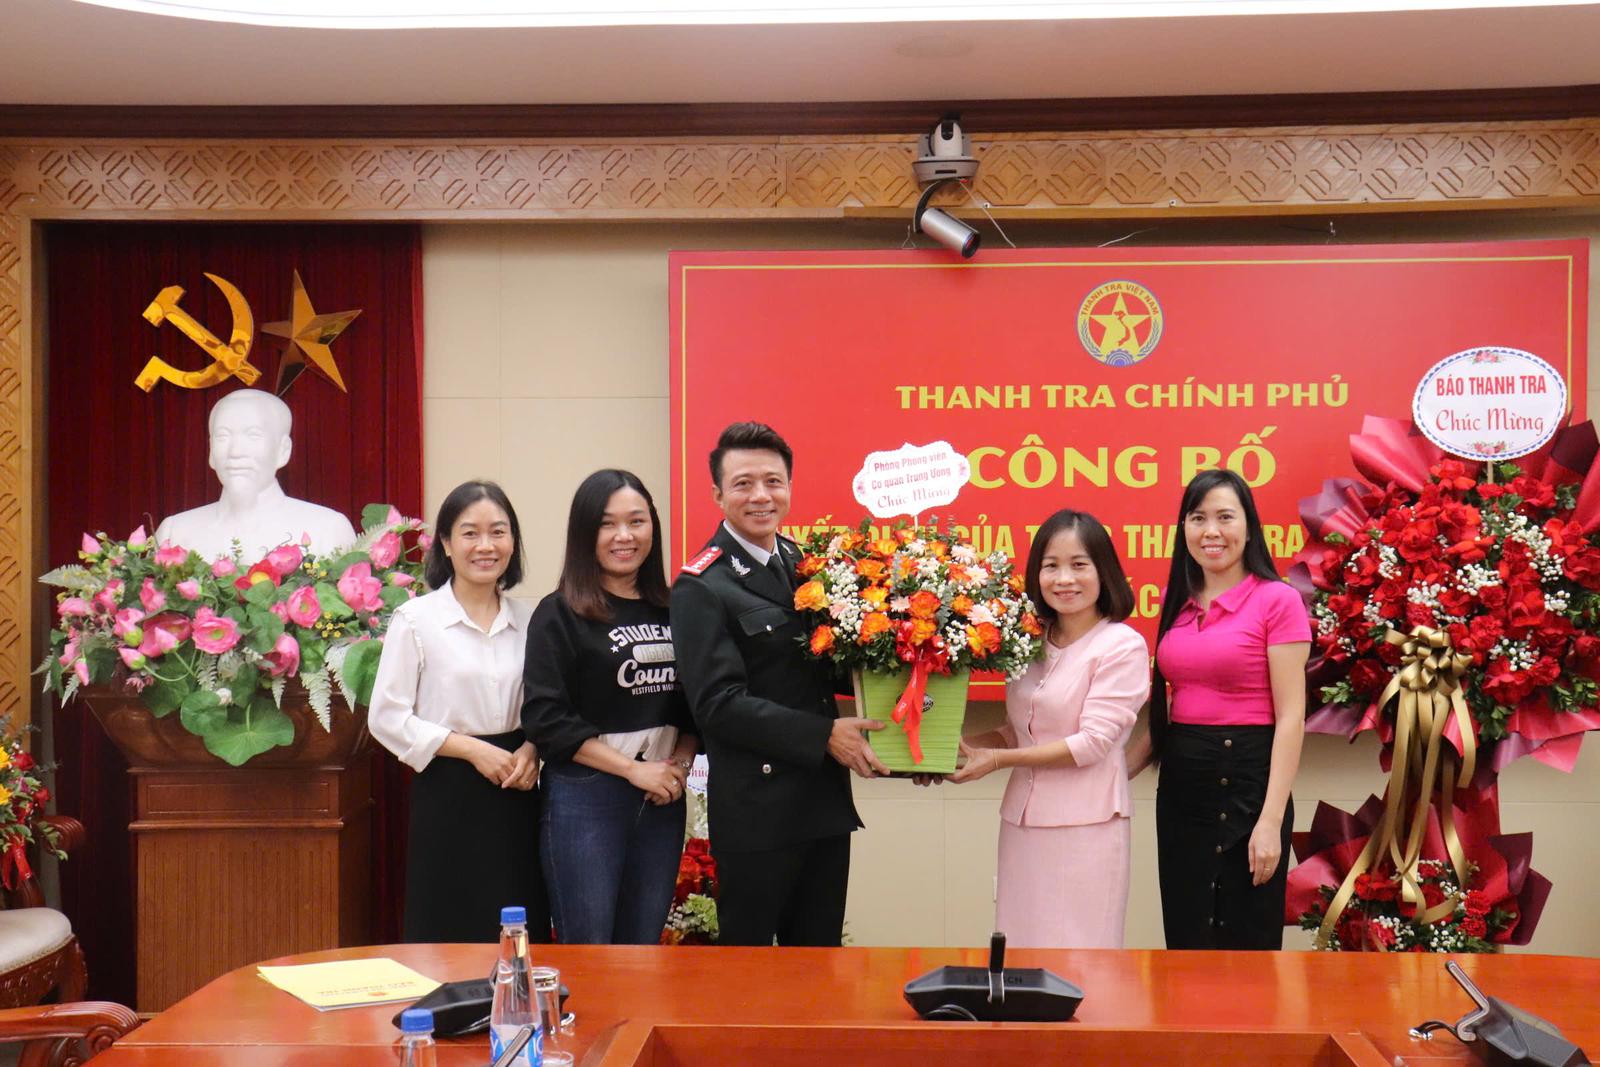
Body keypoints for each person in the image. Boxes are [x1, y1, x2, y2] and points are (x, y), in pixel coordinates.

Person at [669, 421, 885, 946]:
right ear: (718, 495)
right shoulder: (702, 585)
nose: (761, 496)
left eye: (773, 482)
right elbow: (717, 704)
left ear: (789, 487)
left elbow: (832, 664)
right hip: (757, 815)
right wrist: (824, 735)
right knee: (750, 974)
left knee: (819, 962)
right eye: (743, 484)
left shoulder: (806, 565)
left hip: (822, 804)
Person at [945, 510, 1149, 948]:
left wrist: (996, 760)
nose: (1064, 579)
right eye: (1051, 565)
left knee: (1080, 956)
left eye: (1079, 565)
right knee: (1021, 949)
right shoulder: (1030, 640)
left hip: (1087, 827)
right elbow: (1018, 731)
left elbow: (1092, 743)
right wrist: (947, 748)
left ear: (1104, 571)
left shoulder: (1122, 645)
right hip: (1022, 824)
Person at [1126, 468, 1311, 950]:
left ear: (1248, 527)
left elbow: (1291, 718)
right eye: (1198, 518)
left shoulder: (1278, 601)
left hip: (1249, 787)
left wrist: (1270, 822)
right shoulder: (1178, 603)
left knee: (1246, 941)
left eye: (1225, 517)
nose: (1211, 531)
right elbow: (1174, 706)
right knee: (1187, 936)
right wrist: (1112, 774)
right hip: (1182, 795)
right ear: (1183, 528)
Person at [521, 469, 698, 945]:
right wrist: (632, 771)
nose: (625, 536)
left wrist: (679, 766)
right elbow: (546, 718)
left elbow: (695, 707)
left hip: (660, 797)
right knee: (591, 950)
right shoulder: (559, 613)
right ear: (585, 533)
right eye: (607, 524)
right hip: (586, 797)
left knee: (642, 950)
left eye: (636, 521)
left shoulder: (676, 610)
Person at [368, 480, 548, 944]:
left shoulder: (533, 620)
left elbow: (549, 703)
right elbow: (386, 717)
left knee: (519, 926)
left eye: (498, 532)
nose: (486, 546)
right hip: (447, 788)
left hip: (517, 786)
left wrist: (534, 748)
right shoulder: (416, 620)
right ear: (446, 543)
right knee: (449, 928)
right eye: (470, 533)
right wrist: (470, 749)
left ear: (513, 542)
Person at [155, 388, 357, 560]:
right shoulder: (175, 532)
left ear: (283, 450)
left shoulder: (327, 529)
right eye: (223, 436)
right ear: (210, 452)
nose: (235, 452)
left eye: (253, 435)